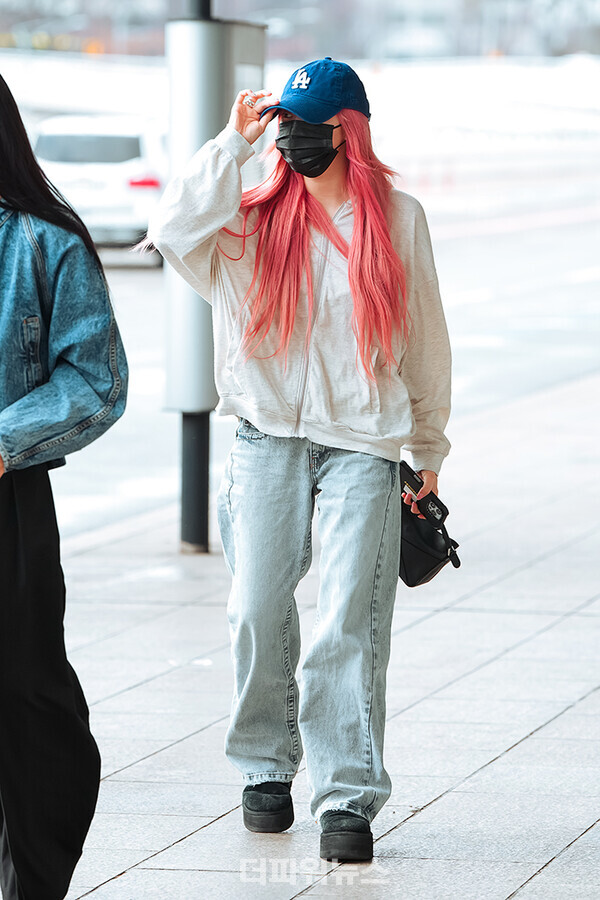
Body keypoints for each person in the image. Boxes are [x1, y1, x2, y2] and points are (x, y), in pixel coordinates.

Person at [148, 57, 451, 862]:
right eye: (286, 125)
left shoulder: (398, 218)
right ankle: (265, 765)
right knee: (256, 607)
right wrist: (231, 144)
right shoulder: (246, 219)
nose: (294, 139)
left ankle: (346, 795)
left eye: (310, 127)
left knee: (348, 618)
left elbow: (424, 336)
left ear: (348, 131)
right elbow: (171, 230)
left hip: (363, 443)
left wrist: (427, 447)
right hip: (265, 437)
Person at [0, 75, 128, 899]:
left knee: (30, 700)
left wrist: (3, 441)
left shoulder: (45, 242)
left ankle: (34, 875)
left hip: (7, 504)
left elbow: (96, 379)